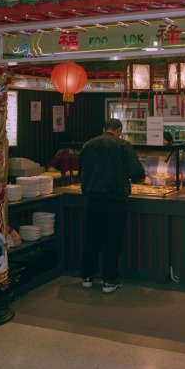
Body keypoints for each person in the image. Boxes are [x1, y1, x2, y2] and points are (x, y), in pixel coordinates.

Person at [78, 118, 146, 294]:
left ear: (104, 128)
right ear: (119, 130)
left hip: (93, 198)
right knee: (113, 240)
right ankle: (109, 280)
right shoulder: (122, 145)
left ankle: (87, 276)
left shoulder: (88, 145)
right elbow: (137, 172)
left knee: (92, 238)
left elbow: (81, 171)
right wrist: (139, 179)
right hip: (115, 199)